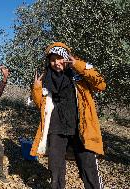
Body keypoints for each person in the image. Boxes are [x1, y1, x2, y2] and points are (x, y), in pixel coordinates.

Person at [30, 42, 106, 189]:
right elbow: (41, 105)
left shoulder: (78, 74)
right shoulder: (46, 78)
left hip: (81, 127)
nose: (56, 62)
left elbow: (101, 84)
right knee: (55, 168)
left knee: (88, 166)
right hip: (56, 128)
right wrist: (37, 89)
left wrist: (78, 64)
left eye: (60, 58)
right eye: (52, 59)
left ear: (66, 58)